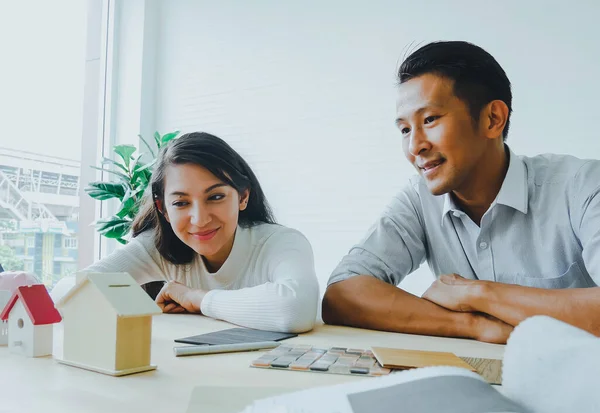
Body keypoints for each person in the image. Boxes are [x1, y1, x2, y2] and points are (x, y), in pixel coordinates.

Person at [322, 41, 600, 343]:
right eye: (404, 129)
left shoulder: (582, 186)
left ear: (493, 119)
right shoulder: (419, 200)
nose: (415, 146)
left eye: (429, 120)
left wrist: (477, 293)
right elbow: (342, 293)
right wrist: (472, 325)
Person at [83, 132, 319, 333]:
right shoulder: (157, 246)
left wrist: (197, 298)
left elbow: (296, 309)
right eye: (181, 203)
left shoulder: (280, 243)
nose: (200, 219)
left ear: (243, 196)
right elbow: (72, 290)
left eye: (215, 197)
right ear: (162, 208)